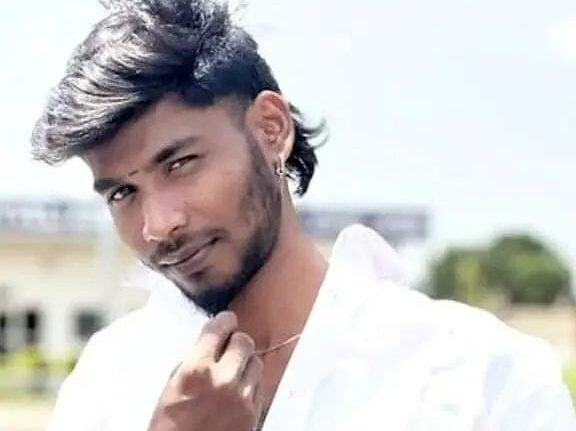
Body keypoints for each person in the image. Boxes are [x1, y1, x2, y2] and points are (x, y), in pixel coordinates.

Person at [32, 0, 575, 430]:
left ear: (271, 129)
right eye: (122, 193)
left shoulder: (481, 375)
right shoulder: (110, 378)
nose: (158, 224)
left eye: (180, 164)